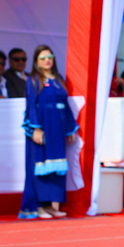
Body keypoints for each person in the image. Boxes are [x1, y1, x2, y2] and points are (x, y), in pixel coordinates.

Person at [20, 45, 78, 220]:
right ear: (37, 61)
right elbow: (31, 105)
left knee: (57, 167)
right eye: (42, 58)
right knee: (40, 165)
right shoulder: (33, 80)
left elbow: (66, 106)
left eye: (50, 56)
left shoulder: (59, 79)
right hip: (43, 128)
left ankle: (51, 205)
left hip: (58, 129)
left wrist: (70, 128)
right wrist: (36, 128)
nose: (47, 60)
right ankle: (38, 206)